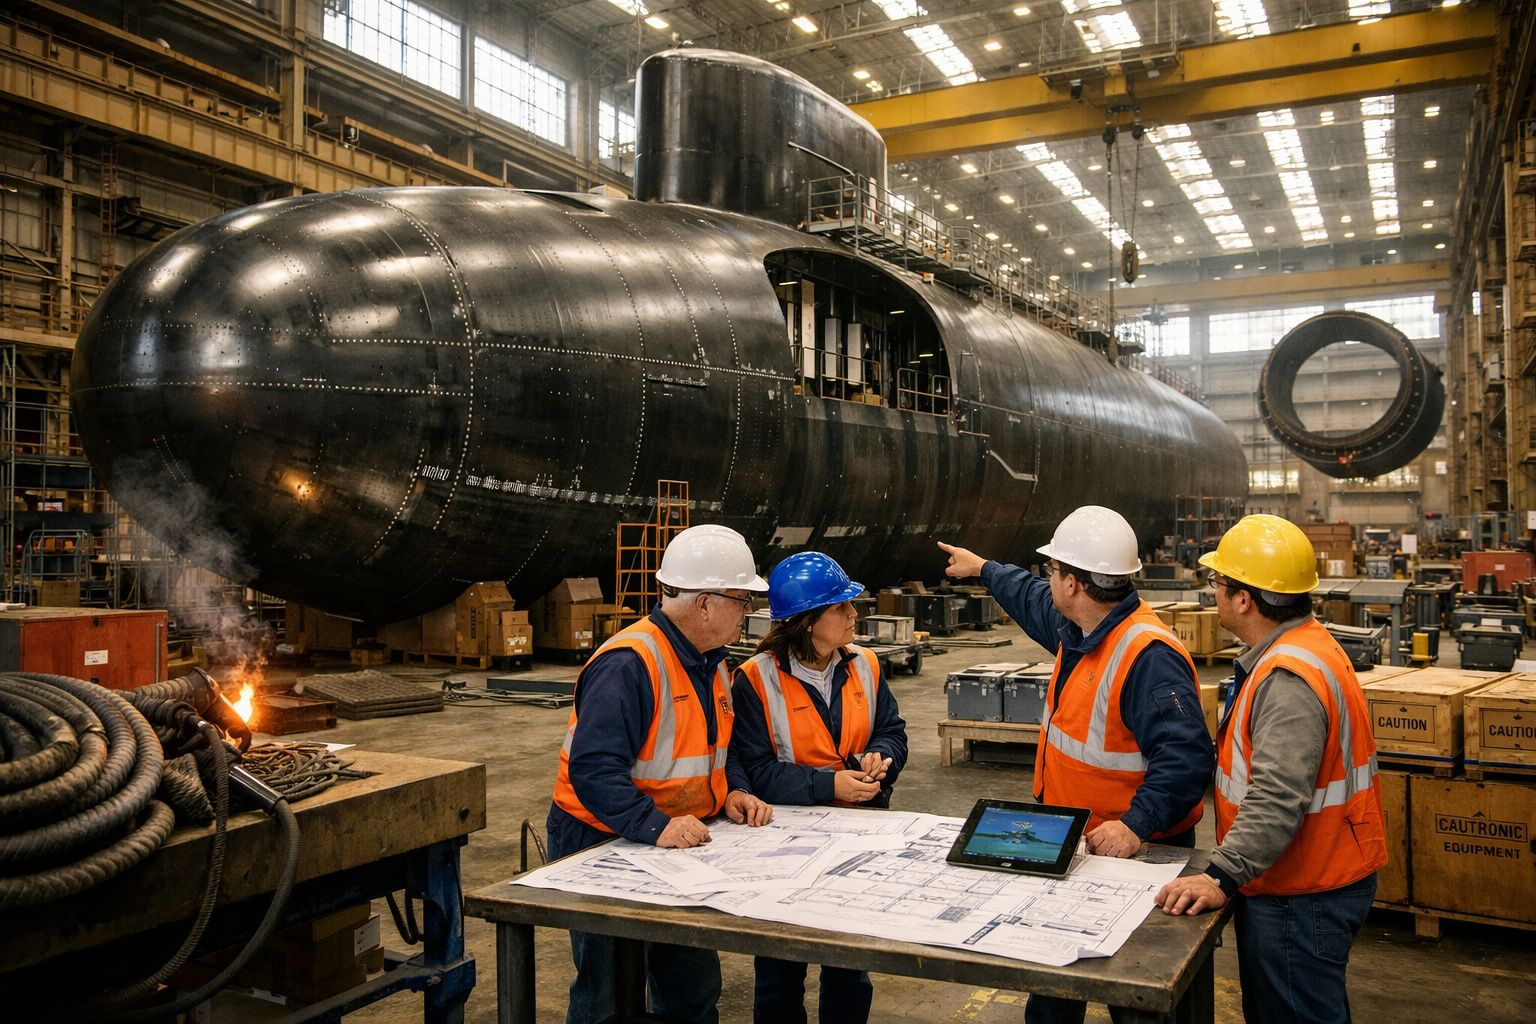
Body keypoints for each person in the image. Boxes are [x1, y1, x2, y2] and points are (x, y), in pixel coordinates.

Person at [939, 505, 1214, 1024]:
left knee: (1136, 996)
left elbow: (1187, 759)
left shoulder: (1147, 656)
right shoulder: (1081, 627)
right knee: (1052, 988)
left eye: (1053, 571)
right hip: (1070, 843)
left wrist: (1135, 826)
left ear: (1072, 584)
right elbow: (1029, 597)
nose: (1047, 581)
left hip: (1136, 854)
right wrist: (984, 569)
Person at [1156, 515, 1386, 1024]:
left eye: (1218, 582)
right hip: (1315, 873)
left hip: (1302, 890)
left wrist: (1222, 874)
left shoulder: (1288, 678)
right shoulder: (1307, 645)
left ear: (1244, 599)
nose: (1213, 592)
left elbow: (1278, 795)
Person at [547, 524, 775, 1024]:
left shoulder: (712, 663)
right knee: (609, 994)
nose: (747, 612)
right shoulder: (630, 664)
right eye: (742, 600)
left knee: (690, 988)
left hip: (677, 841)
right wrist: (656, 825)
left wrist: (734, 789)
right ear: (705, 604)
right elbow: (593, 770)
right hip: (602, 836)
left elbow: (719, 747)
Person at [731, 551, 908, 1024]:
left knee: (850, 965)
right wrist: (829, 784)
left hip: (858, 837)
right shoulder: (755, 679)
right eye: (841, 607)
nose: (854, 614)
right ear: (808, 622)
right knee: (780, 970)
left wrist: (882, 758)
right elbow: (755, 771)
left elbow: (892, 730)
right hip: (783, 846)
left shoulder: (866, 664)